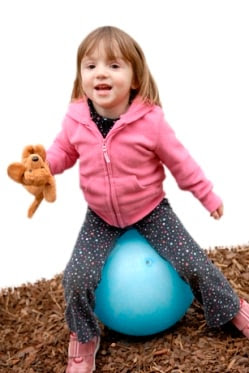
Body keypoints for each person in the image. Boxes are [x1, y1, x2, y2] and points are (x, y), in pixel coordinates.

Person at [44, 26, 249, 373]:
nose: (101, 73)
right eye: (90, 66)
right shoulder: (75, 118)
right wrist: (43, 168)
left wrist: (206, 194)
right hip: (101, 217)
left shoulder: (150, 121)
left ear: (135, 78)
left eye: (114, 65)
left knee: (194, 263)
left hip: (151, 211)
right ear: (80, 77)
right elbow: (62, 151)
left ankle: (233, 309)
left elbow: (180, 161)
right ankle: (84, 336)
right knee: (76, 277)